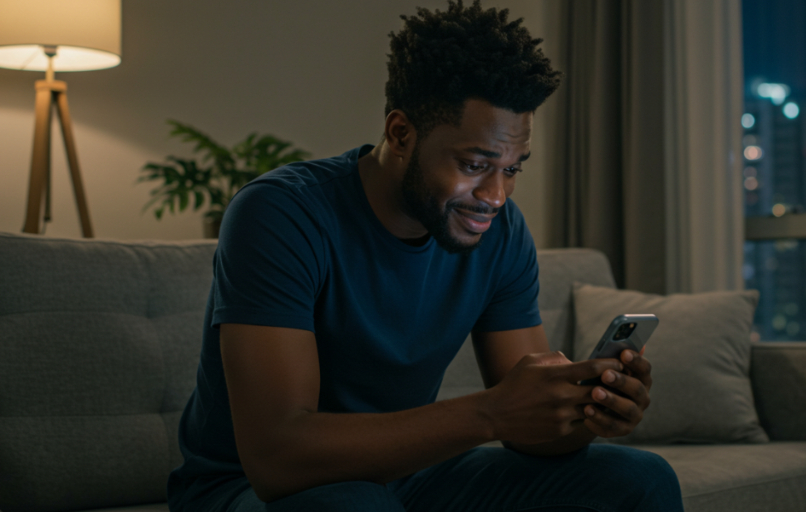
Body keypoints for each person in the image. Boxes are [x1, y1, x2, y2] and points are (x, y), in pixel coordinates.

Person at [168, 2, 684, 510]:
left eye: (512, 169)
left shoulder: (499, 233)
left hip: (404, 475)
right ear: (400, 134)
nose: (496, 196)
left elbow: (528, 432)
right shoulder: (283, 214)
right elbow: (278, 458)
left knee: (639, 480)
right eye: (475, 163)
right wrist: (489, 415)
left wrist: (585, 414)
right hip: (247, 489)